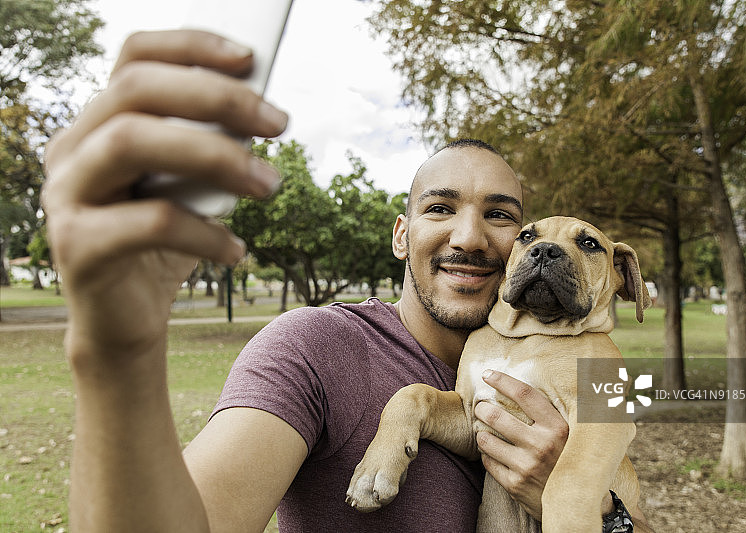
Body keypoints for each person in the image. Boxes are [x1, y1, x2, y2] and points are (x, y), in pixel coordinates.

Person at [44, 30, 648, 533]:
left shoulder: (590, 360)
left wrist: (602, 513)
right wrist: (117, 356)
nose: (468, 236)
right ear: (400, 235)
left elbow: (632, 496)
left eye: (499, 215)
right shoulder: (315, 348)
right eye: (440, 208)